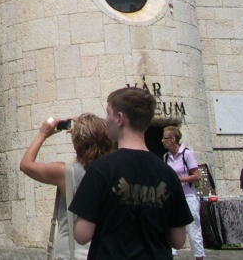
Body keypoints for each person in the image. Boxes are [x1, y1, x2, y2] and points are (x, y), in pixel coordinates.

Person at [69, 87, 193, 258]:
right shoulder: (168, 174)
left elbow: (82, 235)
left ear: (119, 118)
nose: (106, 120)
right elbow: (178, 240)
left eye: (108, 113)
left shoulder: (100, 170)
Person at [19, 113, 113, 259]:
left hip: (72, 252)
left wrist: (42, 134)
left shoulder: (65, 173)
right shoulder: (113, 172)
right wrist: (90, 125)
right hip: (105, 251)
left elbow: (26, 165)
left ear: (77, 143)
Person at [161, 126, 204, 260]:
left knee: (193, 228)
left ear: (173, 139)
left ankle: (198, 256)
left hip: (188, 195)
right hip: (173, 197)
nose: (162, 141)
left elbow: (196, 175)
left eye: (165, 138)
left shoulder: (187, 154)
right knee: (172, 227)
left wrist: (179, 179)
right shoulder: (166, 157)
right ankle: (172, 256)